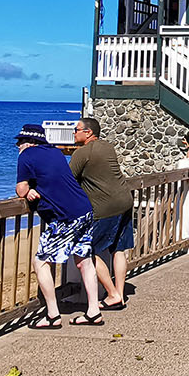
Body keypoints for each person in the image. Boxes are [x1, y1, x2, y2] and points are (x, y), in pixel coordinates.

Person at [13, 123, 104, 329]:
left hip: (64, 217)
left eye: (20, 142)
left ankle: (53, 315)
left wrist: (27, 191)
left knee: (41, 262)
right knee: (84, 261)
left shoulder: (26, 156)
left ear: (30, 142)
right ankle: (93, 311)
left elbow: (20, 189)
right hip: (84, 210)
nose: (18, 146)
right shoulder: (55, 153)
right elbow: (51, 178)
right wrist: (32, 189)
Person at [69, 117, 131, 311]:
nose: (74, 132)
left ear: (88, 132)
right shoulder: (107, 147)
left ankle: (112, 294)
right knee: (118, 249)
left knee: (86, 250)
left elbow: (68, 181)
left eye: (77, 129)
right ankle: (120, 294)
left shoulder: (83, 153)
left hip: (105, 207)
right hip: (125, 200)